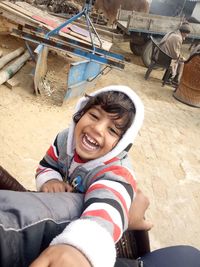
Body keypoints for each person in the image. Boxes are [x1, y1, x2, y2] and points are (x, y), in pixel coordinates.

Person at [0, 85, 152, 267]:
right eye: (94, 116)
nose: (97, 128)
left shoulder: (115, 172)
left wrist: (80, 247)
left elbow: (107, 209)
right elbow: (47, 164)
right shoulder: (65, 140)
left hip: (103, 224)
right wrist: (50, 179)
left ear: (122, 144)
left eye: (112, 130)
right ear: (80, 113)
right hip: (64, 207)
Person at [158, 22, 191, 86]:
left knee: (180, 60)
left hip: (161, 54)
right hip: (164, 58)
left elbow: (174, 50)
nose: (187, 35)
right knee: (182, 62)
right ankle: (173, 80)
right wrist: (181, 58)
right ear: (184, 32)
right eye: (187, 34)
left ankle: (168, 78)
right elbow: (175, 54)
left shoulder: (173, 33)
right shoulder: (178, 38)